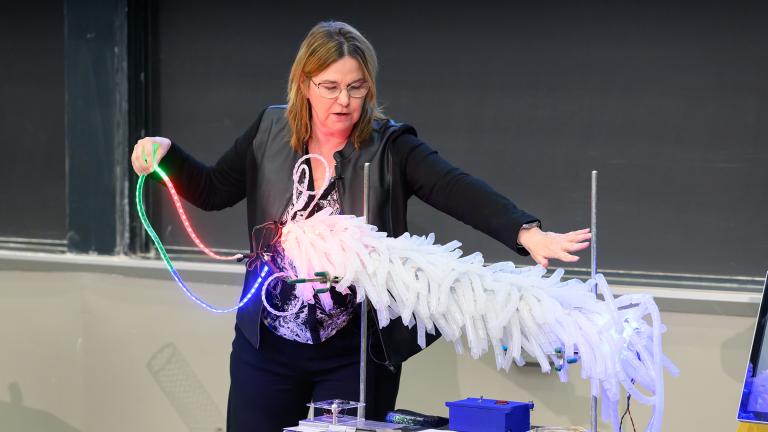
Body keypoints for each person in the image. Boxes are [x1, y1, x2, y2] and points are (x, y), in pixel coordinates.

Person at [131, 21, 591, 432]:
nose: (344, 101)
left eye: (356, 88)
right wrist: (165, 152)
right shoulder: (268, 131)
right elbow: (212, 190)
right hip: (266, 348)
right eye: (329, 87)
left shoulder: (391, 146)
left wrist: (525, 232)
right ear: (304, 84)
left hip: (355, 353)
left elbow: (455, 187)